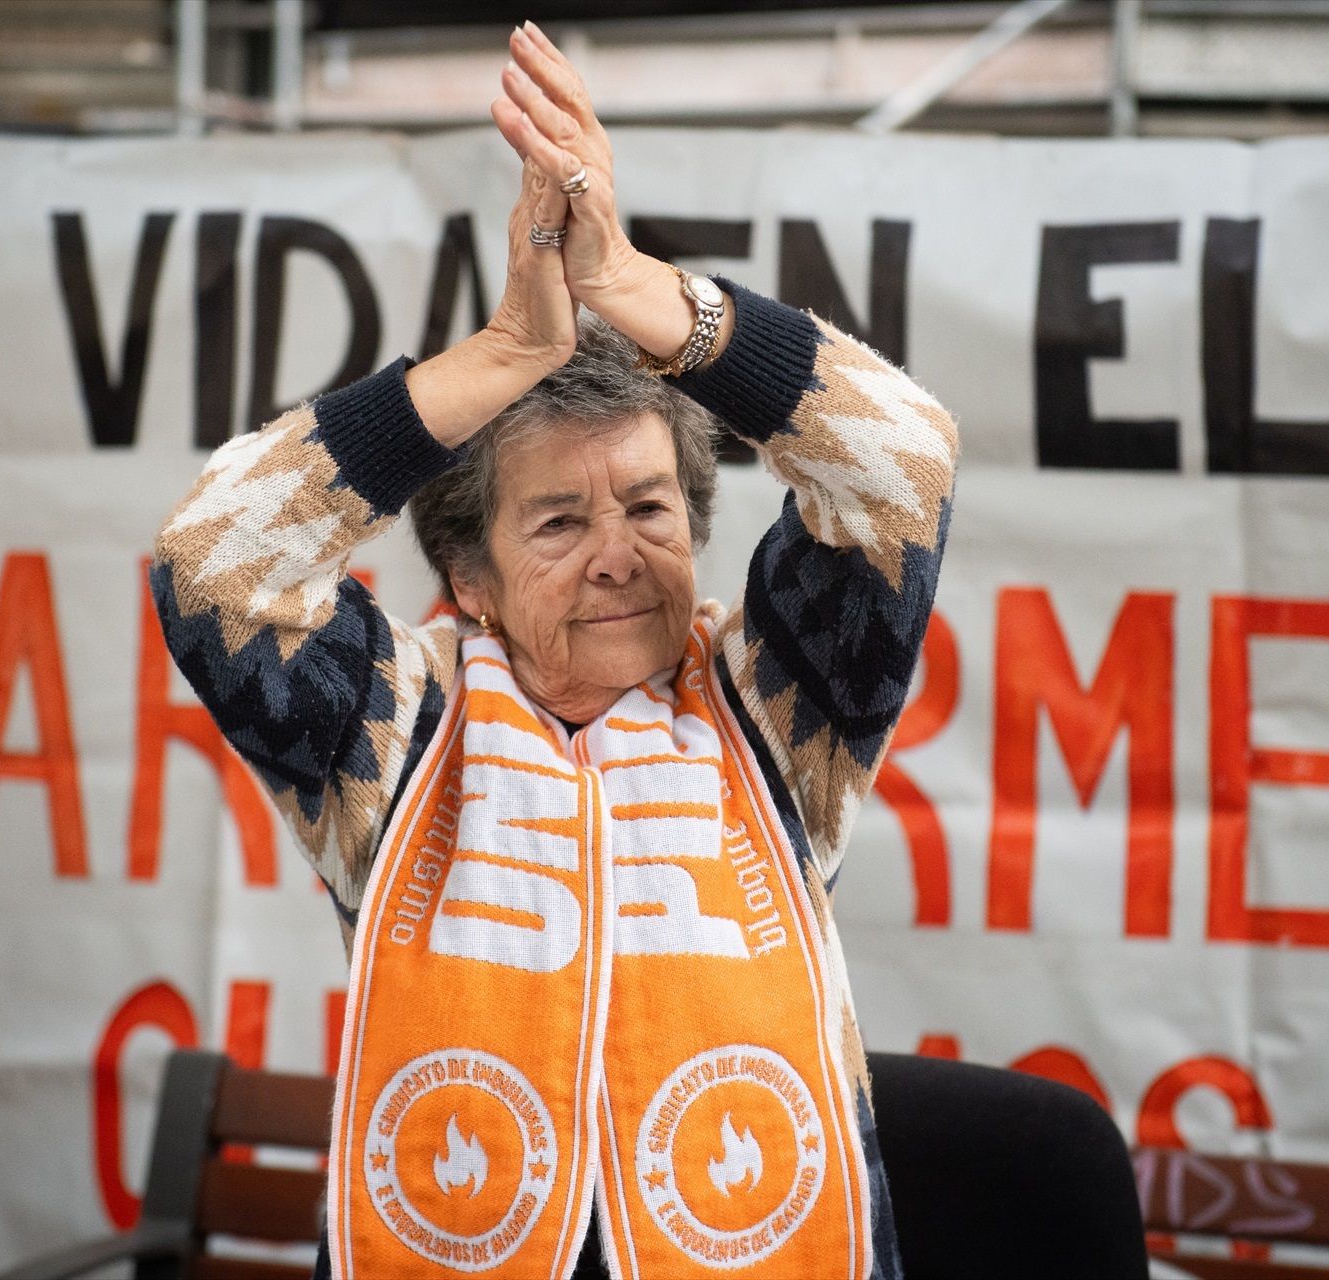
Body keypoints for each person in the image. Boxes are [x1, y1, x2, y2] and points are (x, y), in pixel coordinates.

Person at [154, 21, 1142, 1280]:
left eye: (651, 505)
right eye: (559, 521)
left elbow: (907, 462)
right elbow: (210, 562)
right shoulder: (394, 727)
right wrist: (504, 355)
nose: (618, 553)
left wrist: (635, 289)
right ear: (472, 578)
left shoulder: (779, 704)